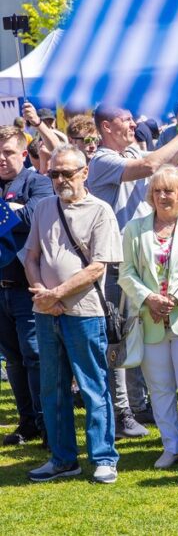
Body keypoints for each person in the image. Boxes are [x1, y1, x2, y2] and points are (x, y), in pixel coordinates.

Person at [24, 145, 121, 483]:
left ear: (85, 173)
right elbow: (31, 256)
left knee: (94, 387)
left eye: (67, 172)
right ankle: (63, 459)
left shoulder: (101, 211)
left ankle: (104, 458)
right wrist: (43, 294)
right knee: (52, 389)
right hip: (46, 311)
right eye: (54, 173)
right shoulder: (44, 208)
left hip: (85, 312)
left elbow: (97, 267)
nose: (60, 179)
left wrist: (57, 294)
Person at [118, 166, 178, 472]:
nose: (162, 196)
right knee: (159, 389)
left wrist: (174, 301)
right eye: (157, 190)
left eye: (169, 191)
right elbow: (126, 273)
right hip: (150, 320)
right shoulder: (135, 229)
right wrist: (149, 299)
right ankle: (172, 446)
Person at [0, 126, 53, 446]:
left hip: (26, 287)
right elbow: (19, 219)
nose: (2, 159)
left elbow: (36, 217)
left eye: (7, 152)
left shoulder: (39, 183)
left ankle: (48, 423)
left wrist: (15, 214)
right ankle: (27, 421)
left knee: (35, 356)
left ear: (23, 153)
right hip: (0, 290)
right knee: (13, 360)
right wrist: (12, 213)